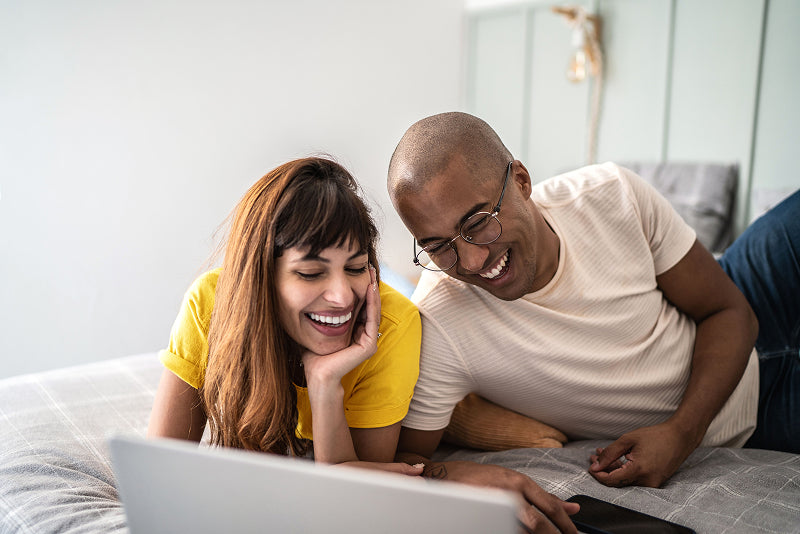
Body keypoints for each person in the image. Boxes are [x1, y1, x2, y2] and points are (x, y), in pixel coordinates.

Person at [387, 111, 799, 533]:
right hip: (767, 406)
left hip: (760, 284)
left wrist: (681, 433)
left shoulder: (612, 193)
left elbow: (730, 311)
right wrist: (467, 475)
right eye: (438, 246)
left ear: (522, 182)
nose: (471, 261)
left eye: (477, 223)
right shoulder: (439, 323)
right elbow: (397, 465)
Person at [148, 157, 422, 473]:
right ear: (260, 277)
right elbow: (159, 466)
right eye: (310, 273)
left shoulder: (392, 325)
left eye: (356, 268)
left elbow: (358, 489)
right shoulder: (211, 303)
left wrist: (325, 383)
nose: (343, 296)